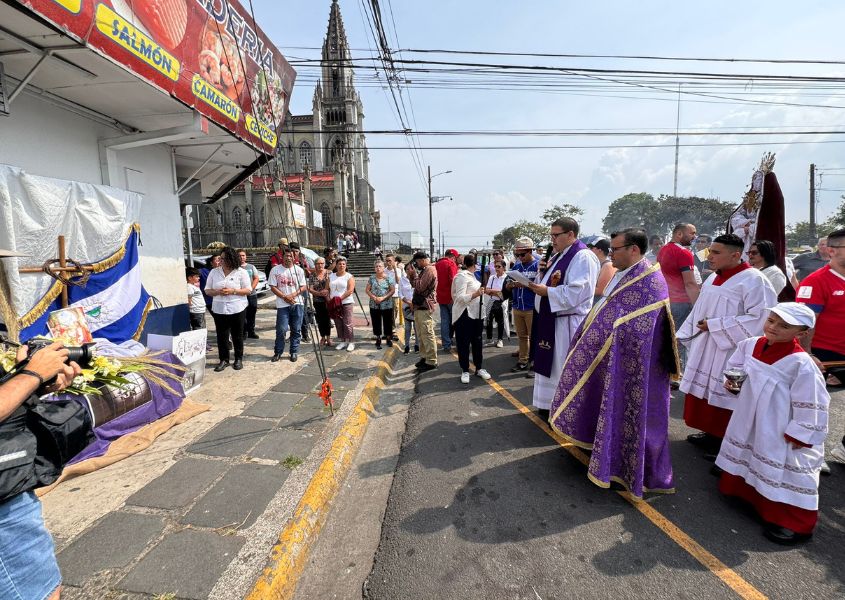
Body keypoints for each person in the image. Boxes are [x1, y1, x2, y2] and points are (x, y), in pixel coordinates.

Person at [550, 228, 678, 498]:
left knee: (627, 410)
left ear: (634, 249)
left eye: (615, 250)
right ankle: (600, 448)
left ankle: (625, 468)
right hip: (610, 354)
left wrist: (608, 336)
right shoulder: (624, 273)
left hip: (634, 367)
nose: (610, 255)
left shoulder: (650, 282)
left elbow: (642, 329)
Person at [716, 303, 828, 545]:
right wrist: (731, 382)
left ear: (801, 333)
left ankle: (794, 521)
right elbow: (735, 367)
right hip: (750, 418)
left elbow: (813, 403)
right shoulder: (750, 344)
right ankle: (743, 492)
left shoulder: (802, 365)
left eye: (784, 325)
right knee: (750, 452)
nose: (773, 327)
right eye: (772, 320)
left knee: (783, 465)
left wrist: (802, 433)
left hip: (779, 426)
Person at [678, 234, 778, 460]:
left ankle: (727, 442)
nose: (709, 256)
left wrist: (714, 325)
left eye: (715, 252)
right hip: (707, 344)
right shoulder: (713, 277)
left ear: (735, 254)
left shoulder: (754, 280)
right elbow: (699, 309)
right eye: (709, 251)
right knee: (705, 393)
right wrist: (688, 332)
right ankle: (711, 434)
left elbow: (760, 319)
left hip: (733, 351)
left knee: (729, 394)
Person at [0, 338, 81, 600]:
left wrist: (36, 383)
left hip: (11, 482)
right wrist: (32, 373)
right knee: (39, 592)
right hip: (4, 511)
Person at [526, 218, 599, 420]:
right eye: (551, 235)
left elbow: (579, 292)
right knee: (551, 367)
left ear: (570, 234)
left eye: (556, 235)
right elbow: (550, 283)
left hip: (568, 323)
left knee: (563, 369)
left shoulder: (583, 257)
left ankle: (563, 411)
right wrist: (541, 276)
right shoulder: (560, 256)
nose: (552, 240)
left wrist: (547, 291)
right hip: (552, 321)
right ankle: (547, 404)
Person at [797, 228, 845, 388]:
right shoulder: (816, 281)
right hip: (826, 356)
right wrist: (807, 354)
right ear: (831, 251)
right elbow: (804, 322)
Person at [657, 223, 700, 367]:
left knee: (666, 338)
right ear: (679, 234)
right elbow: (690, 283)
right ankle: (676, 372)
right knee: (679, 340)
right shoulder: (684, 253)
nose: (695, 237)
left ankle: (665, 371)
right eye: (692, 233)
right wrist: (699, 307)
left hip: (665, 300)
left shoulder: (663, 250)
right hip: (681, 303)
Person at [204, 246, 251, 371]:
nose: (221, 261)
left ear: (231, 259)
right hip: (219, 309)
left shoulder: (241, 272)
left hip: (237, 308)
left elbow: (248, 290)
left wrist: (233, 291)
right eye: (220, 258)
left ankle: (238, 359)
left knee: (237, 335)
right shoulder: (214, 272)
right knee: (222, 336)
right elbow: (207, 290)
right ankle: (224, 360)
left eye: (223, 259)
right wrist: (217, 292)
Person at [451, 253, 492, 384]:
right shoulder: (461, 276)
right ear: (474, 265)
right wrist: (475, 294)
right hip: (464, 315)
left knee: (477, 342)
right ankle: (465, 370)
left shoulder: (473, 276)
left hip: (477, 314)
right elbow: (458, 297)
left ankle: (479, 368)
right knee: (463, 343)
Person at [269, 248, 307, 363]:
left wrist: (293, 295)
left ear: (294, 257)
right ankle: (278, 352)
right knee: (281, 329)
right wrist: (285, 297)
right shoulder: (275, 270)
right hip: (282, 304)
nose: (288, 258)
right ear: (282, 257)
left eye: (291, 256)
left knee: (296, 329)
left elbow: (303, 286)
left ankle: (294, 351)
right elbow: (273, 286)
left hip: (297, 303)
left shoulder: (299, 270)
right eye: (286, 256)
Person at [507, 237, 538, 372]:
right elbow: (507, 285)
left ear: (530, 251)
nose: (520, 257)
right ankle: (522, 360)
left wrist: (526, 284)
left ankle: (534, 362)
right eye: (517, 254)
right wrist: (512, 284)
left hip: (531, 307)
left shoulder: (538, 266)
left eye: (522, 254)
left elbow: (541, 286)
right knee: (522, 337)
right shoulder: (517, 267)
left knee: (534, 337)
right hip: (518, 306)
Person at [408, 251, 438, 371]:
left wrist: (413, 274)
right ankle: (425, 357)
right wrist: (412, 276)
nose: (417, 265)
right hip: (420, 306)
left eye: (417, 262)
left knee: (427, 333)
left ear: (422, 260)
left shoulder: (430, 270)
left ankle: (431, 361)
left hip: (425, 306)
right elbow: (415, 285)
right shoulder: (426, 270)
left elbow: (420, 287)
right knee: (421, 334)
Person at [366, 260, 396, 350]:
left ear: (383, 268)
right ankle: (378, 338)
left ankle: (388, 338)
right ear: (374, 268)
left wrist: (383, 298)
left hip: (387, 304)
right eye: (376, 266)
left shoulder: (389, 278)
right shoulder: (372, 278)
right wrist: (374, 297)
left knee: (388, 321)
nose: (378, 268)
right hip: (374, 304)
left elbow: (392, 290)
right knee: (376, 321)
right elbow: (367, 290)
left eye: (380, 266)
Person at [434, 249, 460, 352]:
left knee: (444, 321)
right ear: (453, 256)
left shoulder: (437, 264)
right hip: (450, 297)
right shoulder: (451, 264)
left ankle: (446, 344)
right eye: (455, 258)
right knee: (456, 320)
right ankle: (459, 343)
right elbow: (453, 281)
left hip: (440, 296)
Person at [329, 256, 356, 351]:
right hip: (334, 304)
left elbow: (350, 290)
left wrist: (339, 299)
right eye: (339, 264)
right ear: (336, 265)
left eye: (343, 264)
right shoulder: (331, 276)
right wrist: (330, 300)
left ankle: (351, 341)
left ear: (346, 265)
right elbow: (327, 289)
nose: (341, 265)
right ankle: (343, 341)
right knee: (338, 323)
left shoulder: (349, 276)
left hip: (346, 302)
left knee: (347, 323)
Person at [289, 242, 312, 344]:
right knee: (291, 313)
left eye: (296, 251)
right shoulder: (286, 261)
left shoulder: (303, 260)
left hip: (302, 290)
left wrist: (304, 266)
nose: (294, 253)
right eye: (292, 251)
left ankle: (305, 333)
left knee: (303, 312)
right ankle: (293, 334)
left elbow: (309, 274)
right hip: (290, 291)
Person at [308, 257, 333, 346]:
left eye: (322, 263)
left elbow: (333, 286)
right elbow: (310, 289)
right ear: (315, 265)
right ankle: (322, 337)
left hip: (328, 300)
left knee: (327, 319)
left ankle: (329, 337)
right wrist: (319, 293)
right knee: (320, 319)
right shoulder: (312, 275)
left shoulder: (329, 273)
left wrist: (326, 292)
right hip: (317, 300)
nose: (320, 265)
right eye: (318, 263)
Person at [238, 249, 260, 339]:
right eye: (239, 255)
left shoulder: (251, 267)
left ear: (246, 256)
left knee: (251, 313)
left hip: (251, 294)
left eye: (243, 255)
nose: (241, 257)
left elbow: (256, 278)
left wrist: (250, 289)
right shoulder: (234, 267)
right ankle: (243, 332)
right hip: (240, 295)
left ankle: (251, 331)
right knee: (242, 314)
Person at [484, 261, 507, 347]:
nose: (496, 268)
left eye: (499, 267)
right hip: (492, 301)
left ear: (504, 268)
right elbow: (487, 290)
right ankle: (489, 338)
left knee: (500, 321)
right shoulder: (492, 277)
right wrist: (497, 292)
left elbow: (503, 294)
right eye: (495, 267)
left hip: (501, 302)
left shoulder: (506, 278)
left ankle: (500, 339)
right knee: (488, 320)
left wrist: (492, 291)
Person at [400, 261, 419, 354]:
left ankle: (417, 345)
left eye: (411, 268)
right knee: (407, 328)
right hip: (406, 306)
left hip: (416, 306)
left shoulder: (418, 279)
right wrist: (408, 302)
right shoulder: (402, 279)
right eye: (407, 269)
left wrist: (414, 303)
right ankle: (406, 346)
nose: (409, 270)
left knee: (416, 327)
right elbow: (400, 293)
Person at [589, 238, 616, 302]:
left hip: (598, 304)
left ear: (599, 250)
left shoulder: (608, 265)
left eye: (592, 248)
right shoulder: (600, 264)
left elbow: (600, 290)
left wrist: (580, 291)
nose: (589, 250)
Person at [385, 252, 404, 336]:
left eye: (390, 261)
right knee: (387, 312)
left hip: (395, 294)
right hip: (385, 294)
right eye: (386, 260)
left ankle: (391, 328)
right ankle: (390, 329)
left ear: (393, 261)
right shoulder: (384, 270)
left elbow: (398, 281)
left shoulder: (398, 270)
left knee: (394, 311)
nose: (388, 262)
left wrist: (395, 269)